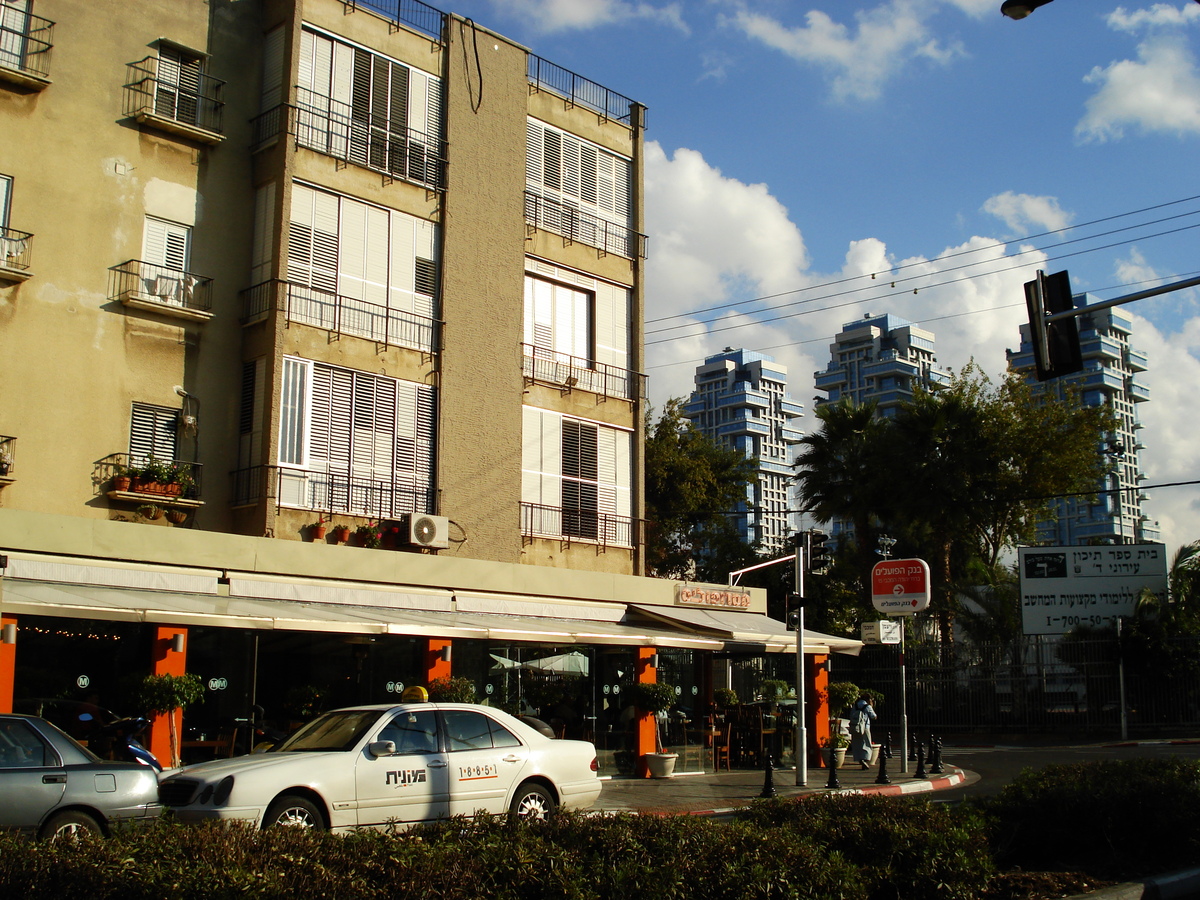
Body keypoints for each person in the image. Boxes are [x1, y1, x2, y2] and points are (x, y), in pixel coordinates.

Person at [848, 695, 876, 769]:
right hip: (865, 728)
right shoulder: (867, 706)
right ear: (868, 699)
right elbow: (874, 716)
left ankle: (858, 758)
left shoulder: (855, 706)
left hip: (855, 727)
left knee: (857, 743)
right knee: (866, 743)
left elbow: (851, 715)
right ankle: (865, 759)